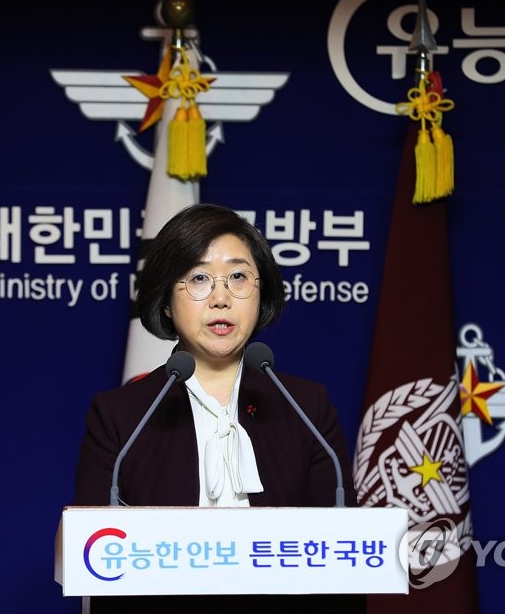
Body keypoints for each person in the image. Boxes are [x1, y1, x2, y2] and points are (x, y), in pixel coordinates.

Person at [74, 202, 363, 611]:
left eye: (238, 277)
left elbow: (344, 559)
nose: (221, 298)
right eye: (199, 279)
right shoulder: (121, 417)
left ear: (261, 292)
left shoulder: (306, 408)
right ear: (166, 299)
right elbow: (98, 558)